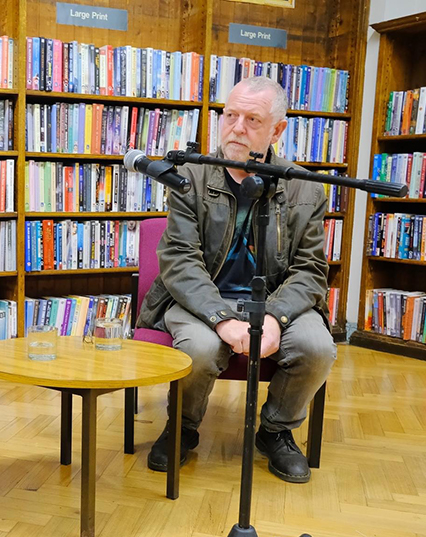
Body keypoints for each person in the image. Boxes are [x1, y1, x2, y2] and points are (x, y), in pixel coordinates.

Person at [136, 76, 336, 484]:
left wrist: (277, 317)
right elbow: (179, 259)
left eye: (252, 119)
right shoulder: (189, 176)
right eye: (230, 115)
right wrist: (222, 318)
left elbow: (310, 269)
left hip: (276, 299)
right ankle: (184, 426)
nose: (237, 128)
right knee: (201, 347)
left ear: (277, 130)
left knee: (318, 348)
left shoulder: (305, 187)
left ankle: (275, 431)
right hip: (201, 299)